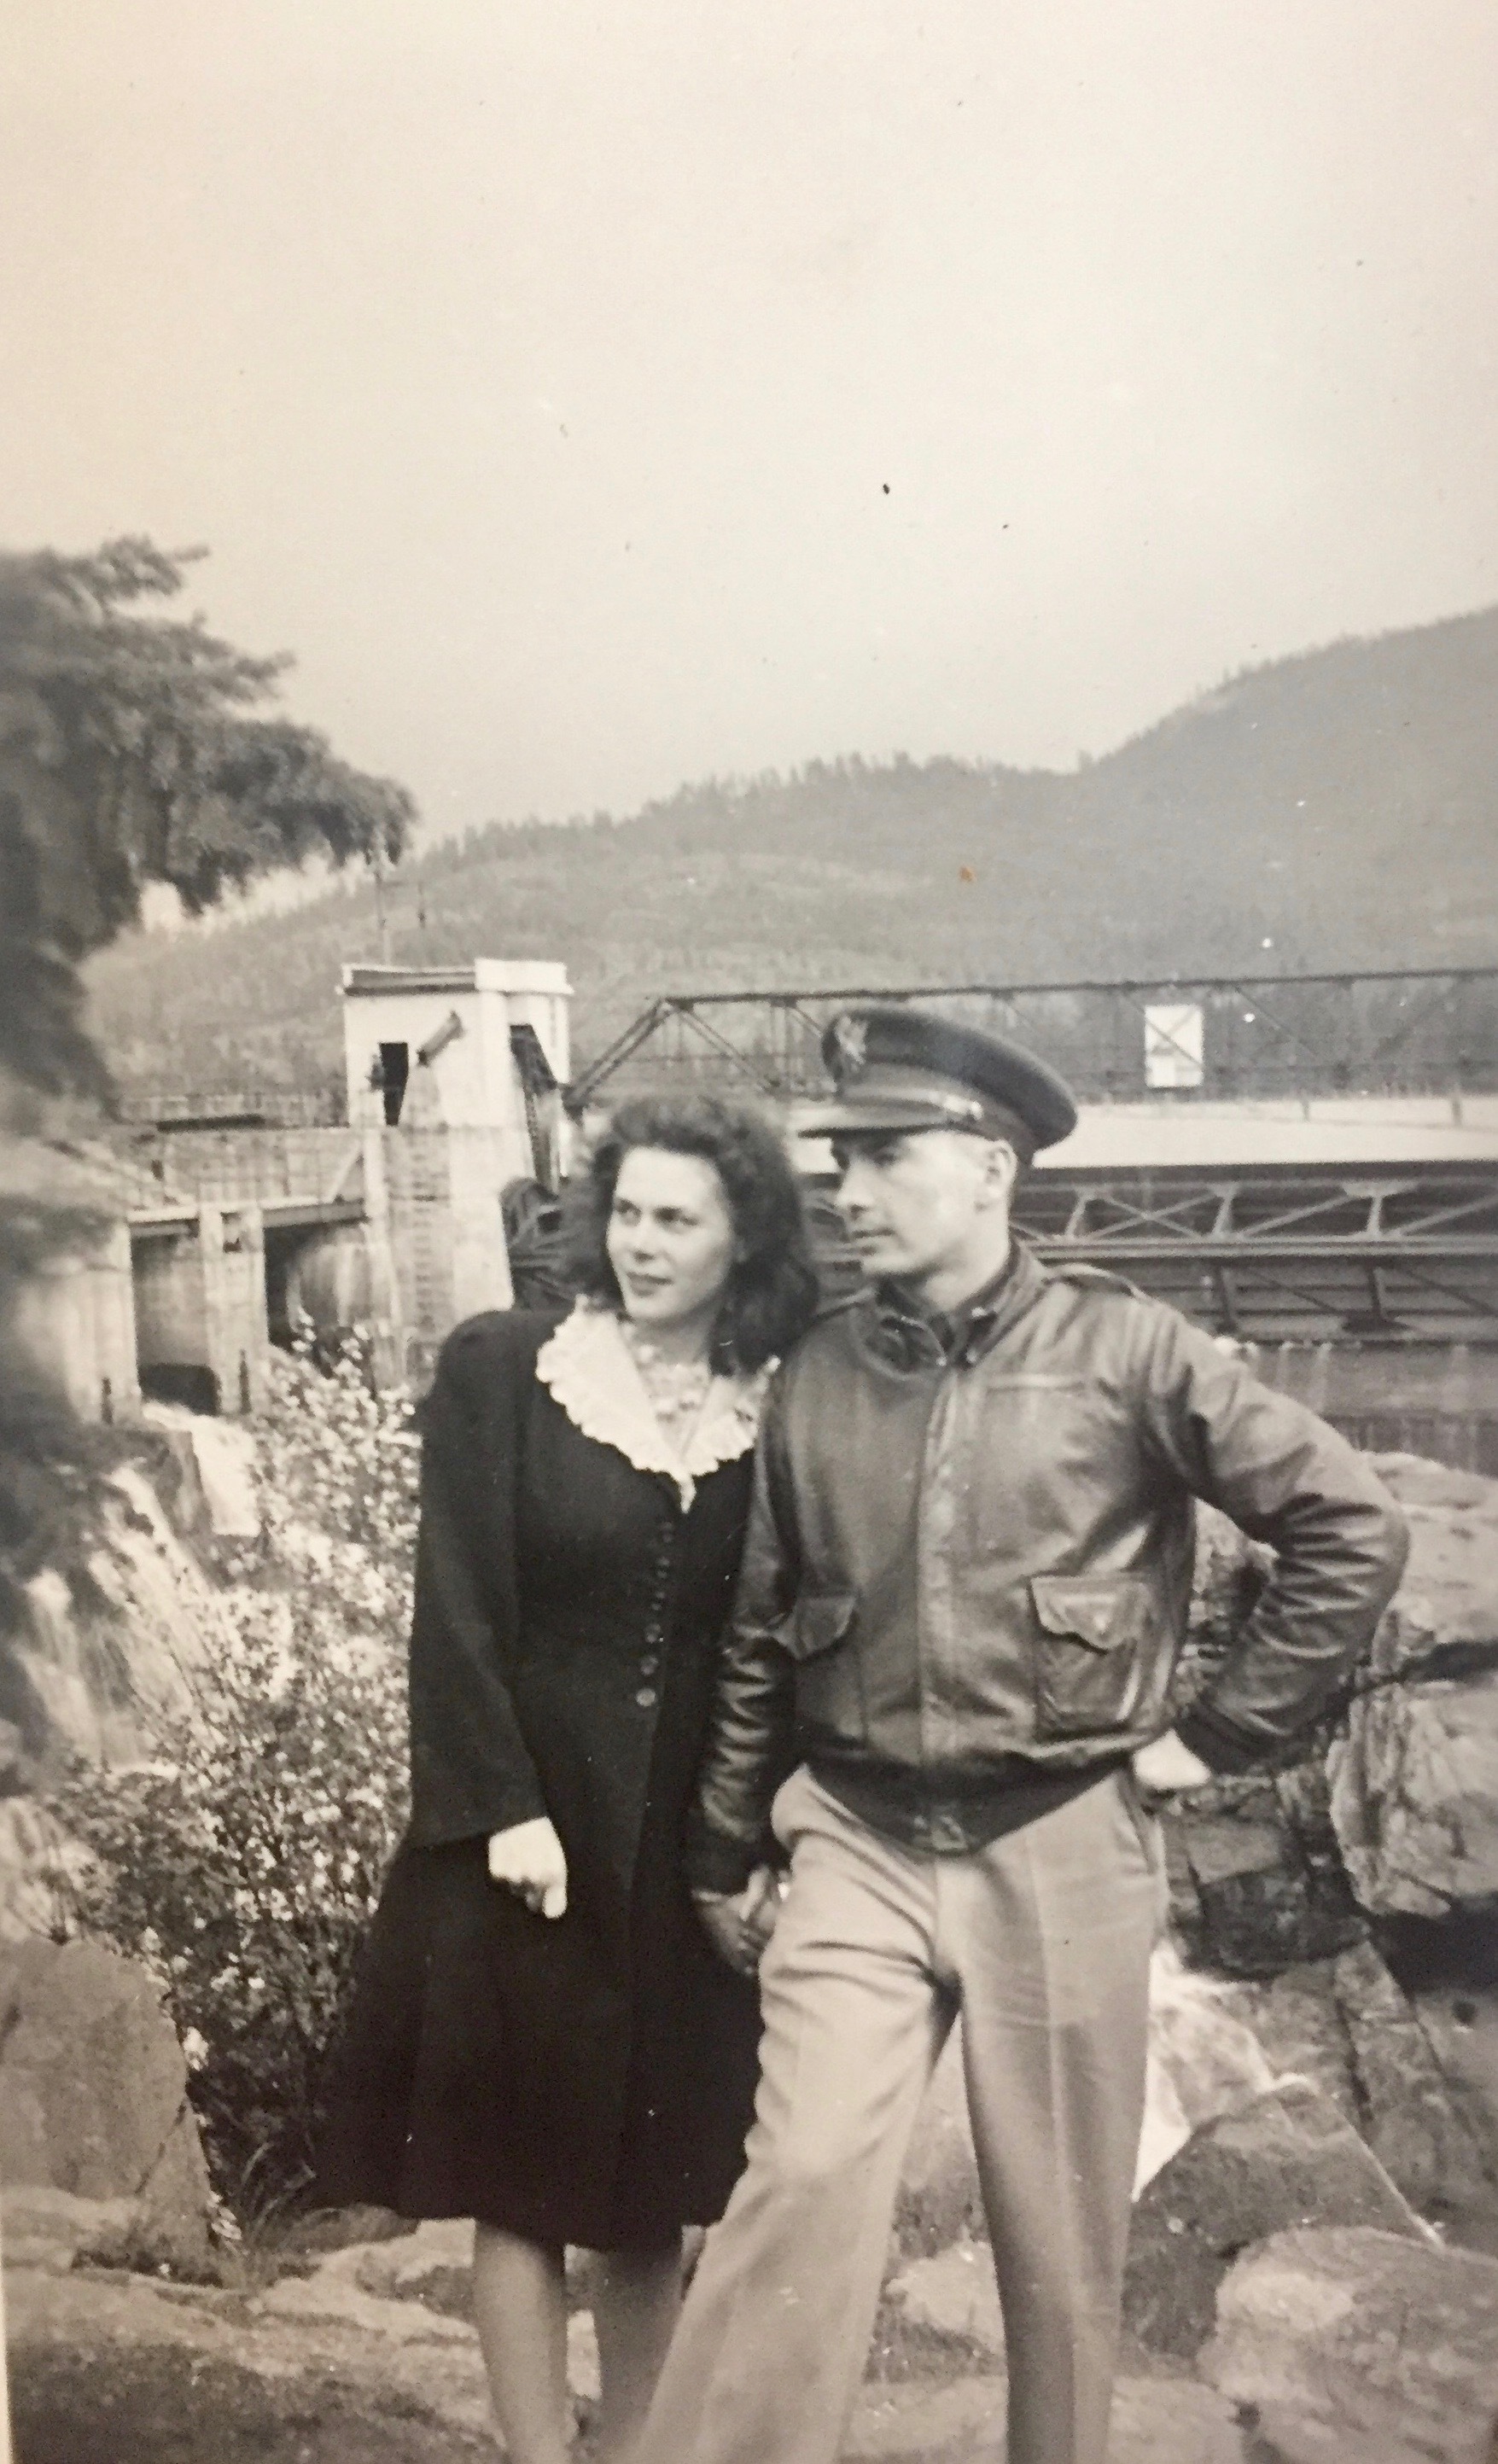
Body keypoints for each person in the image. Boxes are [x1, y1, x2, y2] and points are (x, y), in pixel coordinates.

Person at [639, 1005, 1410, 2464]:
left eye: (882, 1158)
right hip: (854, 1840)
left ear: (990, 1167)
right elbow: (759, 1628)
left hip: (1061, 1839)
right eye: (841, 1161)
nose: (846, 1193)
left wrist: (1211, 1741)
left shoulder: (1129, 1351)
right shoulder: (815, 1376)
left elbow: (1350, 1525)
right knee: (798, 2182)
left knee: (1058, 2253)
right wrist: (723, 1844)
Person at [316, 1094, 817, 2464]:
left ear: (745, 1241)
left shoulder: (769, 1407)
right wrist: (504, 1808)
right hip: (529, 1832)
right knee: (523, 2184)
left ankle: (645, 2452)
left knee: (654, 2189)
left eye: (679, 1220)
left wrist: (758, 1832)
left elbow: (770, 1641)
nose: (643, 1243)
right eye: (629, 1213)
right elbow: (457, 1608)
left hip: (680, 1840)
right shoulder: (511, 1370)